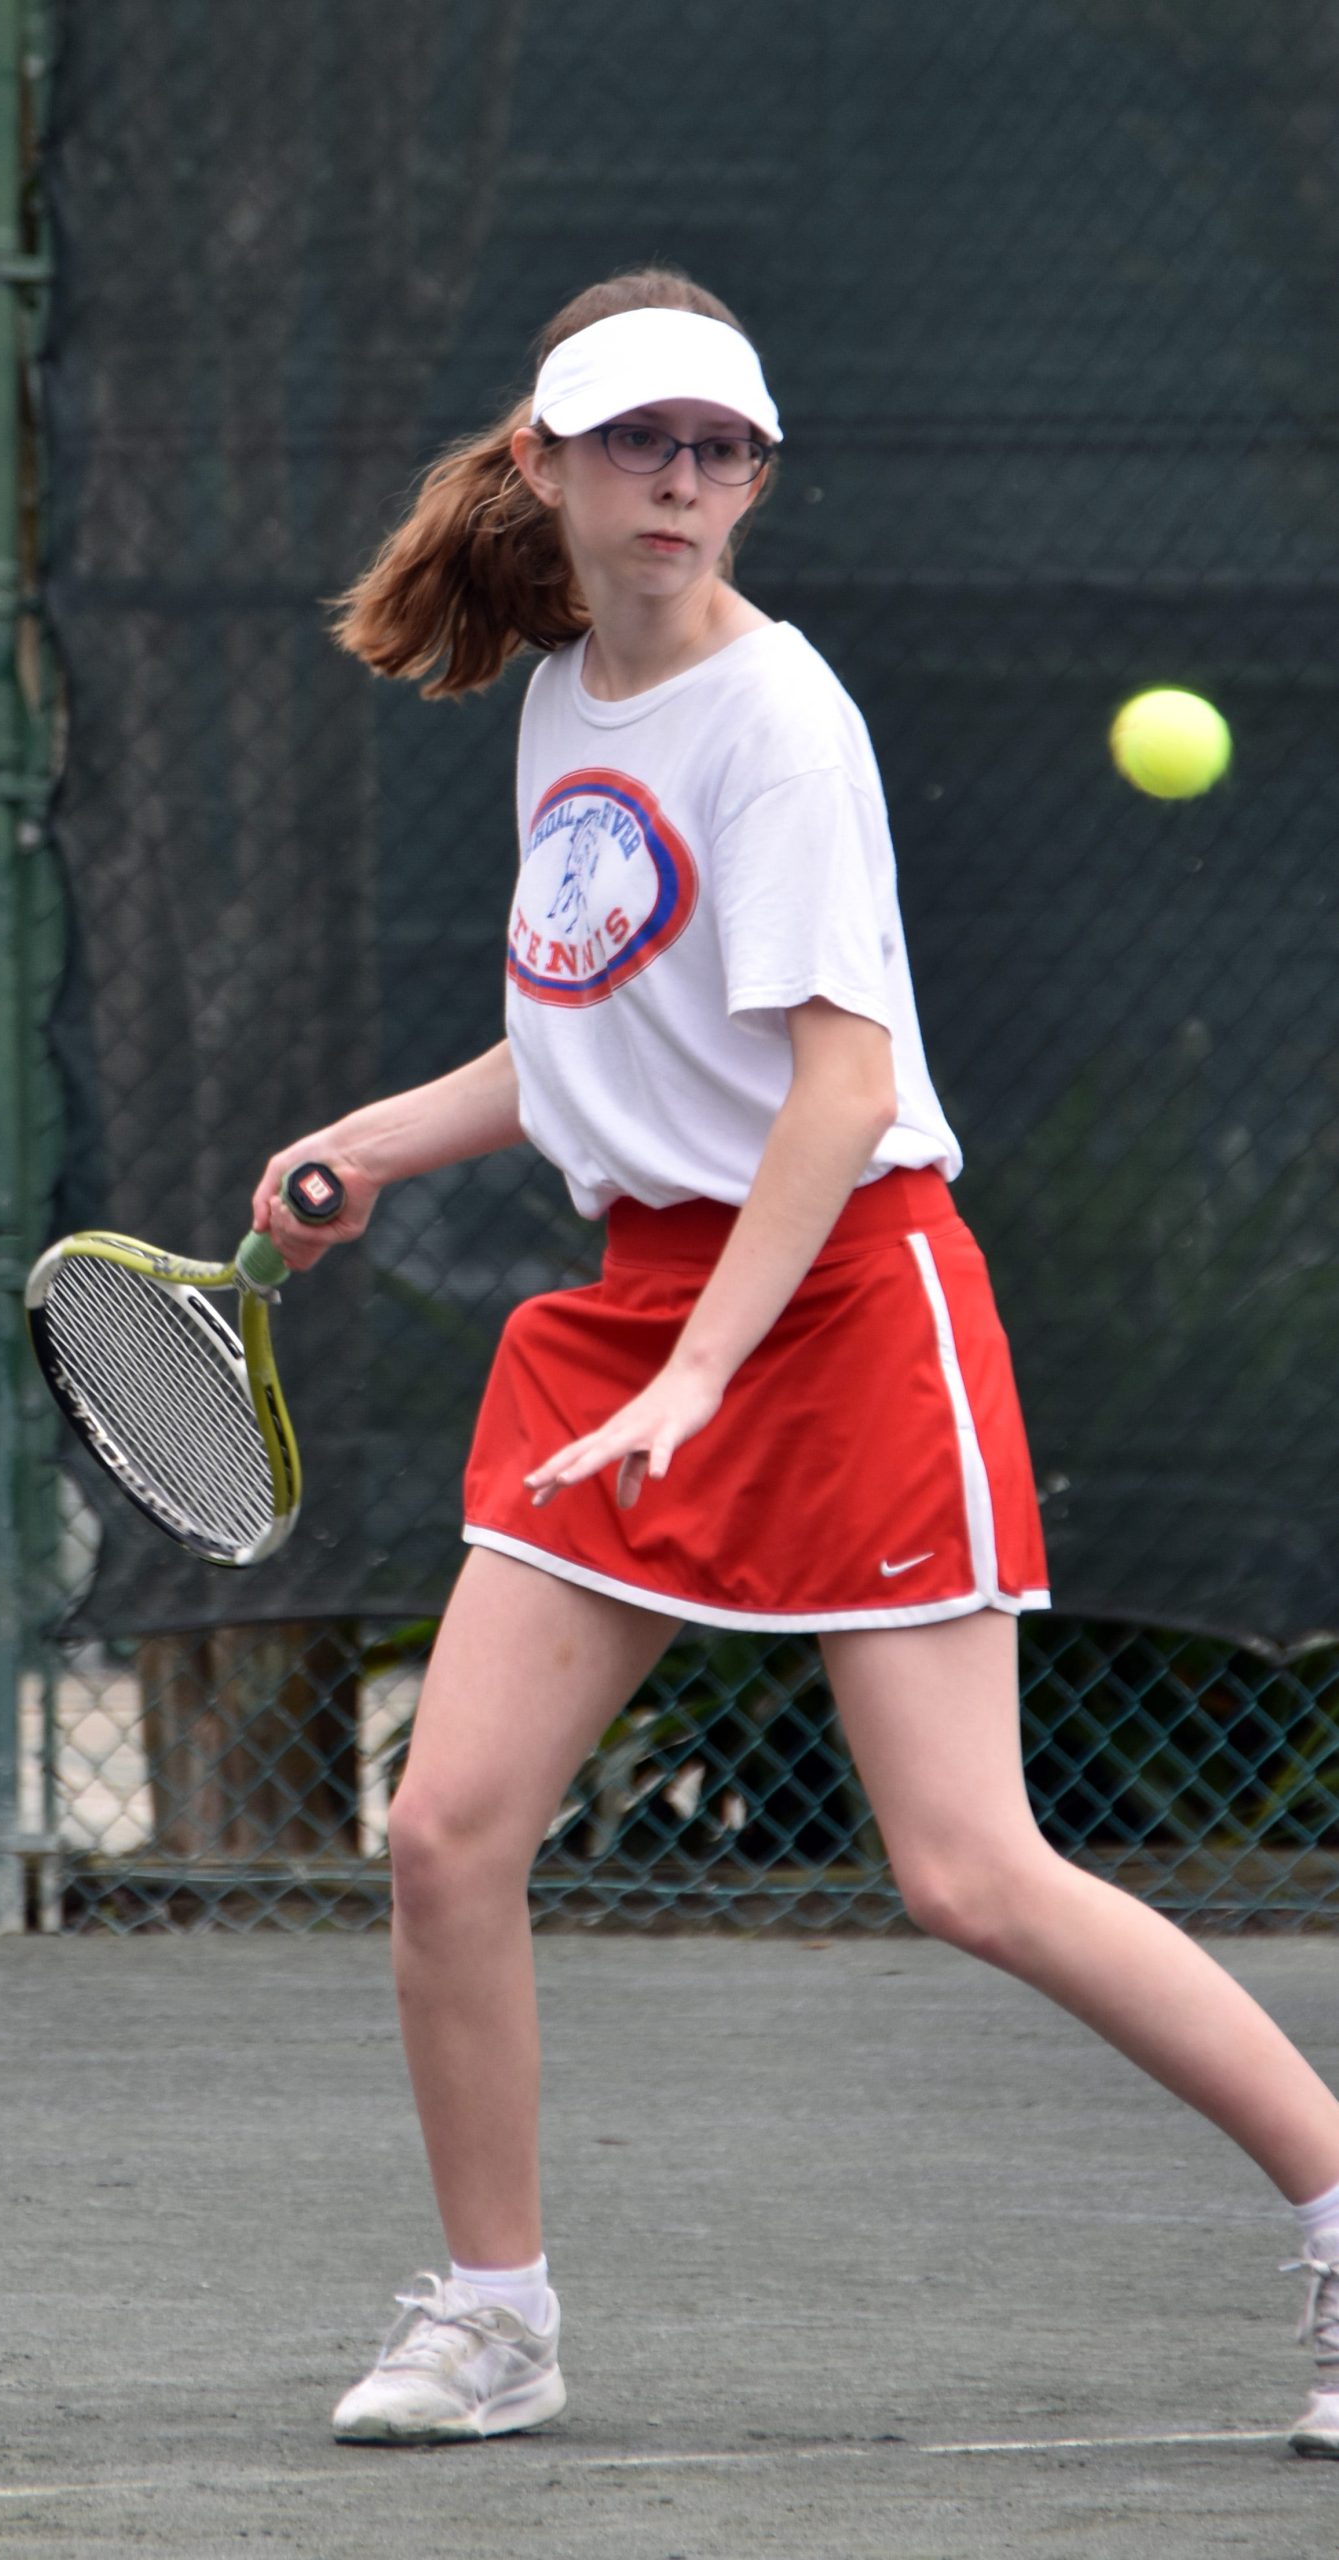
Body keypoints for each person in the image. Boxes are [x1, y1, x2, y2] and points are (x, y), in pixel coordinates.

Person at [251, 269, 1339, 2455]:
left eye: (717, 448)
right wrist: (386, 1131)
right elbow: (593, 1020)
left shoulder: (783, 721)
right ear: (545, 460)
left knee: (963, 1865)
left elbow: (833, 1093)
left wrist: (701, 1371)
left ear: (753, 477)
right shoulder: (566, 697)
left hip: (842, 1299)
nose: (677, 481)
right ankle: (495, 2310)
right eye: (636, 441)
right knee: (448, 1830)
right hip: (632, 1309)